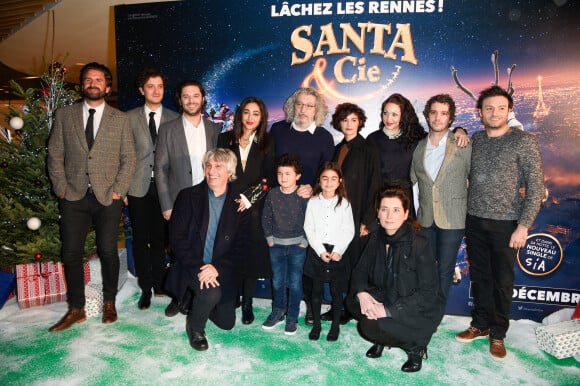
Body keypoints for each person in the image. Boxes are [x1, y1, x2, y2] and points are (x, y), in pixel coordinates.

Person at [455, 86, 544, 361]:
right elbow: (457, 140)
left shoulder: (523, 141)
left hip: (508, 224)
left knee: (502, 282)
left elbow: (536, 186)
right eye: (489, 108)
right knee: (480, 277)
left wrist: (523, 226)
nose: (495, 113)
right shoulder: (476, 140)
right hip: (475, 221)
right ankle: (480, 324)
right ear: (480, 112)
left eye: (501, 108)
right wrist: (459, 128)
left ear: (509, 111)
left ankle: (498, 334)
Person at [47, 62, 136, 331]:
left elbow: (129, 158)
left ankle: (109, 302)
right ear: (82, 84)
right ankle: (76, 309)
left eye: (99, 80)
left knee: (108, 250)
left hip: (108, 196)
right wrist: (61, 188)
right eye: (88, 79)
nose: (93, 83)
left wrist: (119, 190)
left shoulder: (119, 119)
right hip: (73, 196)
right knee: (71, 253)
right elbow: (54, 154)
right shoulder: (64, 115)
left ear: (107, 87)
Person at [347, 187, 444, 373]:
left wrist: (388, 310)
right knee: (353, 301)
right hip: (388, 294)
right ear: (378, 212)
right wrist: (362, 293)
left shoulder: (419, 244)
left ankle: (414, 347)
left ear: (406, 213)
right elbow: (360, 270)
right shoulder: (377, 237)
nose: (389, 215)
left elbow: (428, 294)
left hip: (415, 309)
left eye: (396, 210)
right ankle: (384, 337)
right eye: (384, 209)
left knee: (368, 325)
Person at [164, 148, 250, 351]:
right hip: (193, 265)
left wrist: (217, 268)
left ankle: (193, 300)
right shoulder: (187, 196)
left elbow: (243, 246)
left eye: (219, 166)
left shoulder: (240, 203)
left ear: (230, 172)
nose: (212, 171)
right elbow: (177, 239)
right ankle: (195, 329)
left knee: (226, 323)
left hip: (221, 268)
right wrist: (201, 268)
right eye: (209, 165)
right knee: (211, 294)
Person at [154, 80, 220, 316]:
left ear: (203, 99)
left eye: (195, 96)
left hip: (207, 198)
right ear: (180, 100)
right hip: (179, 201)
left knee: (201, 248)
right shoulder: (168, 129)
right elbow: (160, 169)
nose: (191, 100)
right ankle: (178, 295)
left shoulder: (214, 128)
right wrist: (166, 204)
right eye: (186, 96)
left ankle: (193, 295)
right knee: (180, 249)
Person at [269, 87, 334, 325]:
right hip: (280, 206)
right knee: (281, 259)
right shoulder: (278, 130)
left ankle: (307, 303)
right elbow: (268, 167)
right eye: (299, 104)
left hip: (310, 208)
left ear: (317, 110)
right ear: (292, 106)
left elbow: (328, 174)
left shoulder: (324, 137)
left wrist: (313, 188)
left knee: (305, 258)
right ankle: (281, 305)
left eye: (309, 105)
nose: (303, 110)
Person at [217, 96, 275, 325]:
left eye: (256, 114)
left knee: (250, 256)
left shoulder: (267, 143)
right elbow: (218, 172)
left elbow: (269, 178)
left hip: (254, 209)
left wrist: (249, 199)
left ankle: (248, 302)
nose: (251, 118)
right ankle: (231, 298)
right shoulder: (224, 139)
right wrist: (232, 198)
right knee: (229, 255)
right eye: (247, 112)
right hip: (227, 206)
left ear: (262, 118)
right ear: (240, 114)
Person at [322, 102, 381, 324]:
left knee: (353, 264)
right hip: (337, 215)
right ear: (339, 123)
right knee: (337, 262)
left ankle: (350, 308)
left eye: (353, 120)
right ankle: (337, 307)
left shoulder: (368, 149)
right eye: (345, 120)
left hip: (356, 217)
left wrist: (367, 220)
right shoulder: (339, 148)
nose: (349, 124)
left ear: (360, 123)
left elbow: (375, 185)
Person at [126, 68, 179, 310]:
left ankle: (159, 284)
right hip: (138, 186)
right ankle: (145, 287)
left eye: (160, 86)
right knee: (140, 239)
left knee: (160, 239)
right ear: (141, 90)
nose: (156, 90)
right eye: (150, 86)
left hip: (165, 187)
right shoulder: (129, 118)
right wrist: (123, 187)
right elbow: (122, 156)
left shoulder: (174, 117)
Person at [410, 94, 471, 301]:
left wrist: (462, 131)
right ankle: (424, 306)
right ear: (427, 116)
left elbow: (475, 178)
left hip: (453, 218)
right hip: (426, 218)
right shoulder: (418, 148)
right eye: (434, 112)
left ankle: (435, 314)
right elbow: (412, 180)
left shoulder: (462, 143)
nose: (438, 118)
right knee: (426, 268)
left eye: (444, 113)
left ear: (451, 119)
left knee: (445, 269)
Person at [366, 94, 469, 216]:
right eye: (385, 113)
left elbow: (439, 135)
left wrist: (460, 130)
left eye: (394, 114)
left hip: (406, 199)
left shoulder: (415, 137)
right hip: (381, 198)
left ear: (403, 116)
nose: (389, 118)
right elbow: (367, 176)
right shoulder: (373, 139)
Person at [303, 162, 355, 341]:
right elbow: (309, 227)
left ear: (340, 181)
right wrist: (319, 250)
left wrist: (338, 250)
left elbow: (349, 230)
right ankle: (316, 325)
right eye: (325, 178)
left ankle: (335, 327)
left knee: (336, 291)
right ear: (319, 180)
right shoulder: (313, 202)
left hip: (337, 252)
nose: (329, 182)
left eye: (333, 179)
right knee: (316, 291)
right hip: (318, 251)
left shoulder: (344, 204)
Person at [261, 153, 309, 335]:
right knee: (277, 282)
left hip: (298, 246)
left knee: (295, 283)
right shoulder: (273, 194)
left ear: (297, 176)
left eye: (288, 174)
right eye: (280, 174)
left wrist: (305, 241)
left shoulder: (303, 196)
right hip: (276, 246)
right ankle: (278, 312)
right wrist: (269, 238)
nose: (283, 178)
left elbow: (310, 220)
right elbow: (266, 217)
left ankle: (292, 317)